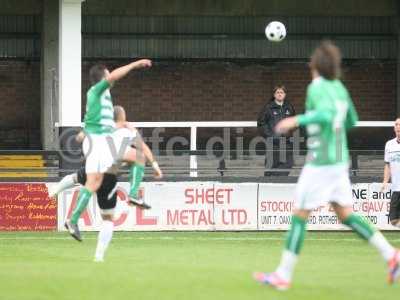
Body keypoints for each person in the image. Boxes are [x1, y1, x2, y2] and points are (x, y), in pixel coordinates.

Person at [253, 41, 400, 290]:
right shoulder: (340, 88)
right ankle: (391, 255)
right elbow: (351, 120)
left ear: (316, 65)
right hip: (339, 160)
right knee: (345, 214)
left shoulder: (317, 87)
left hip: (321, 161)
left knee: (300, 214)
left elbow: (323, 114)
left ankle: (283, 275)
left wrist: (296, 120)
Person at [64, 60, 152, 241]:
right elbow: (113, 77)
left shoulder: (101, 96)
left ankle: (73, 220)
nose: (111, 76)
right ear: (103, 77)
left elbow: (93, 120)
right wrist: (135, 64)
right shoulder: (97, 90)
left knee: (133, 159)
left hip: (101, 142)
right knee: (97, 181)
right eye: (109, 74)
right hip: (99, 144)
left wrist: (84, 132)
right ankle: (73, 220)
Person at [52, 106, 162, 243]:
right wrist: (155, 165)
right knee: (139, 157)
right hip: (106, 166)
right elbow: (143, 147)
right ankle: (133, 195)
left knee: (81, 180)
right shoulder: (125, 130)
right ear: (122, 118)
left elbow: (80, 137)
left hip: (96, 163)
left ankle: (71, 217)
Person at [257, 85, 296, 176]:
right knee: (271, 166)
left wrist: (290, 134)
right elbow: (261, 123)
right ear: (274, 95)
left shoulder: (289, 107)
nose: (279, 94)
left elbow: (294, 122)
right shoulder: (268, 108)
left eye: (281, 92)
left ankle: (275, 179)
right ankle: (268, 184)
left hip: (287, 143)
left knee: (288, 164)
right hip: (273, 143)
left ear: (285, 94)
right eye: (277, 92)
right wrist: (271, 136)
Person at [382, 118, 400, 228]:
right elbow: (387, 165)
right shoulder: (389, 145)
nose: (398, 126)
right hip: (396, 189)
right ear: (394, 128)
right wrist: (385, 181)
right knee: (393, 220)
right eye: (396, 124)